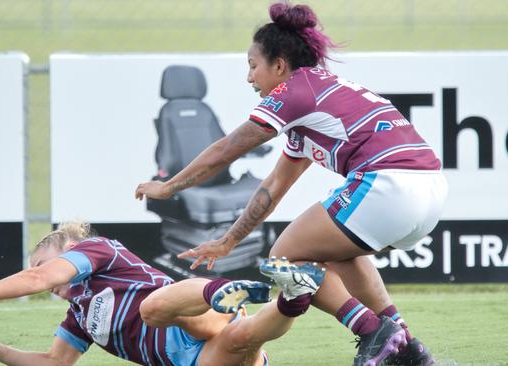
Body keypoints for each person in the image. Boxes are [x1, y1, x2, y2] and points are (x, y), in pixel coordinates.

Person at [135, 2, 446, 366]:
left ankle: (371, 330)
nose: (249, 78)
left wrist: (168, 187)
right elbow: (276, 184)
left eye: (253, 66)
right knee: (336, 253)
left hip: (389, 185)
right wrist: (229, 241)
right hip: (430, 190)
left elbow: (227, 149)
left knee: (285, 258)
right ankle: (406, 346)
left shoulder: (294, 90)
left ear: (279, 65)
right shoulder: (316, 97)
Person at [0, 220, 326, 366]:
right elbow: (55, 364)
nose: (44, 278)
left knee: (153, 309)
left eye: (43, 262)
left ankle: (222, 292)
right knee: (246, 336)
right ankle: (293, 296)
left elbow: (35, 281)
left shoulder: (99, 251)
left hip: (194, 313)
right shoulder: (80, 317)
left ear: (71, 248)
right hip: (193, 361)